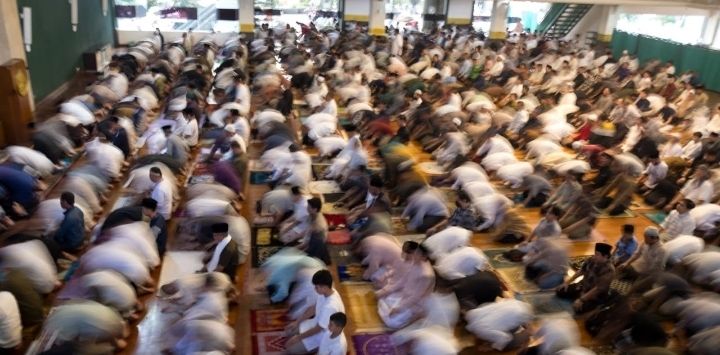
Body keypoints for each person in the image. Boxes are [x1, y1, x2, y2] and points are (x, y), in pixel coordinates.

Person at [376, 242, 435, 329]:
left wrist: (398, 308)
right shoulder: (415, 263)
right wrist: (386, 291)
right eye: (415, 252)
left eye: (417, 254)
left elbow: (416, 297)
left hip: (415, 304)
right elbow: (402, 281)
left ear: (424, 257)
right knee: (382, 299)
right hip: (404, 296)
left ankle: (416, 317)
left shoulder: (426, 275)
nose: (414, 255)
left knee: (391, 323)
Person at [285, 270, 345, 354]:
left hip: (323, 336)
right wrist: (297, 322)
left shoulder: (330, 306)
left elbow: (318, 329)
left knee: (289, 351)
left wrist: (298, 338)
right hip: (316, 324)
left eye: (316, 287)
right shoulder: (327, 292)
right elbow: (313, 308)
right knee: (289, 333)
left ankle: (316, 349)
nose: (315, 289)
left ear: (324, 287)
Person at [556, 243, 615, 313]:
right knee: (560, 291)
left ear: (605, 256)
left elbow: (598, 289)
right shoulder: (592, 259)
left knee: (578, 309)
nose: (594, 256)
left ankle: (583, 300)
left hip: (595, 296)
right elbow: (581, 271)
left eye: (597, 254)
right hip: (582, 287)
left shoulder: (609, 270)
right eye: (595, 253)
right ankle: (577, 296)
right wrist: (567, 282)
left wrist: (582, 299)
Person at [299, 197, 331, 265]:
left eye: (309, 207)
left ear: (315, 209)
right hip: (314, 237)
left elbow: (306, 240)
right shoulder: (314, 214)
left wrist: (296, 249)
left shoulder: (318, 224)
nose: (307, 208)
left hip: (318, 242)